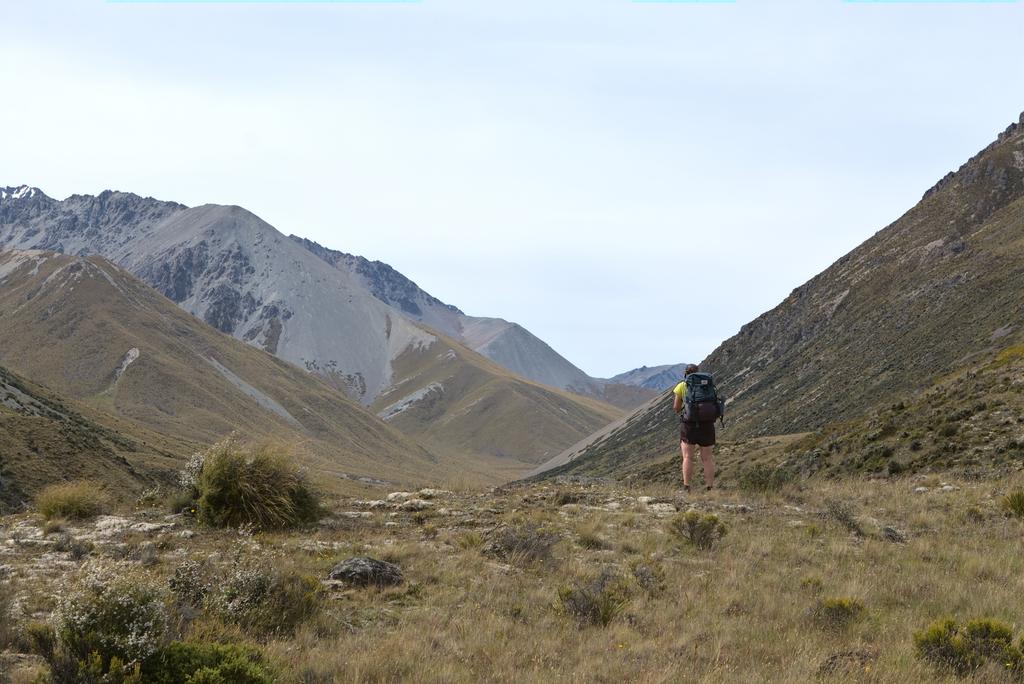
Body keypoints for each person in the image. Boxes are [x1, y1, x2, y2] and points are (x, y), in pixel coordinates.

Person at [672, 363, 716, 492]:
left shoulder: (682, 385)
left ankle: (687, 487)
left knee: (687, 457)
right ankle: (710, 488)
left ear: (686, 373)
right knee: (707, 458)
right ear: (698, 372)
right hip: (707, 424)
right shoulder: (707, 383)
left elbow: (676, 408)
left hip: (689, 424)